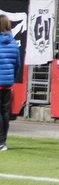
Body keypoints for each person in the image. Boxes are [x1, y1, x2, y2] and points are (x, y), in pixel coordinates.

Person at [0, 14, 21, 151]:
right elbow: (17, 64)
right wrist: (11, 78)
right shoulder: (13, 43)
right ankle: (3, 141)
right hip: (7, 82)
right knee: (4, 112)